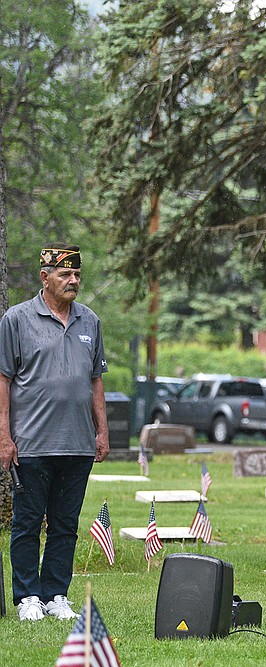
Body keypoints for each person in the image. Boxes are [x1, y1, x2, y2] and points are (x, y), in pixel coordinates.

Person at [0, 244, 109, 621]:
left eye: (77, 275)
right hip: (31, 443)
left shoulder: (90, 321)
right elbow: (3, 379)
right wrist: (4, 436)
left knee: (66, 525)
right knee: (27, 523)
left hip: (78, 443)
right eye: (65, 275)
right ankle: (27, 595)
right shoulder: (16, 319)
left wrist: (102, 432)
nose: (73, 281)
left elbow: (96, 381)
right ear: (44, 277)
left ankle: (56, 594)